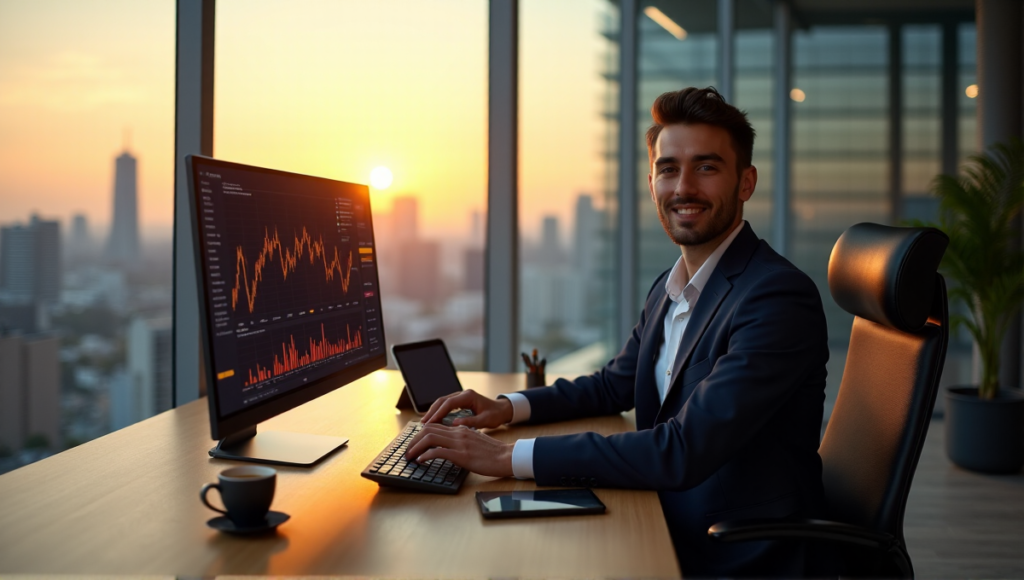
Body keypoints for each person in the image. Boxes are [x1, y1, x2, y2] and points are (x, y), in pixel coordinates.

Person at [405, 86, 829, 577]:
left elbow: (683, 450)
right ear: (651, 183)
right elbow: (614, 384)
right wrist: (508, 407)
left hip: (733, 550)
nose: (684, 187)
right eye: (668, 169)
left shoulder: (776, 297)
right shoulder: (671, 285)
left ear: (746, 182)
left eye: (706, 167)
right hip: (665, 513)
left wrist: (505, 456)